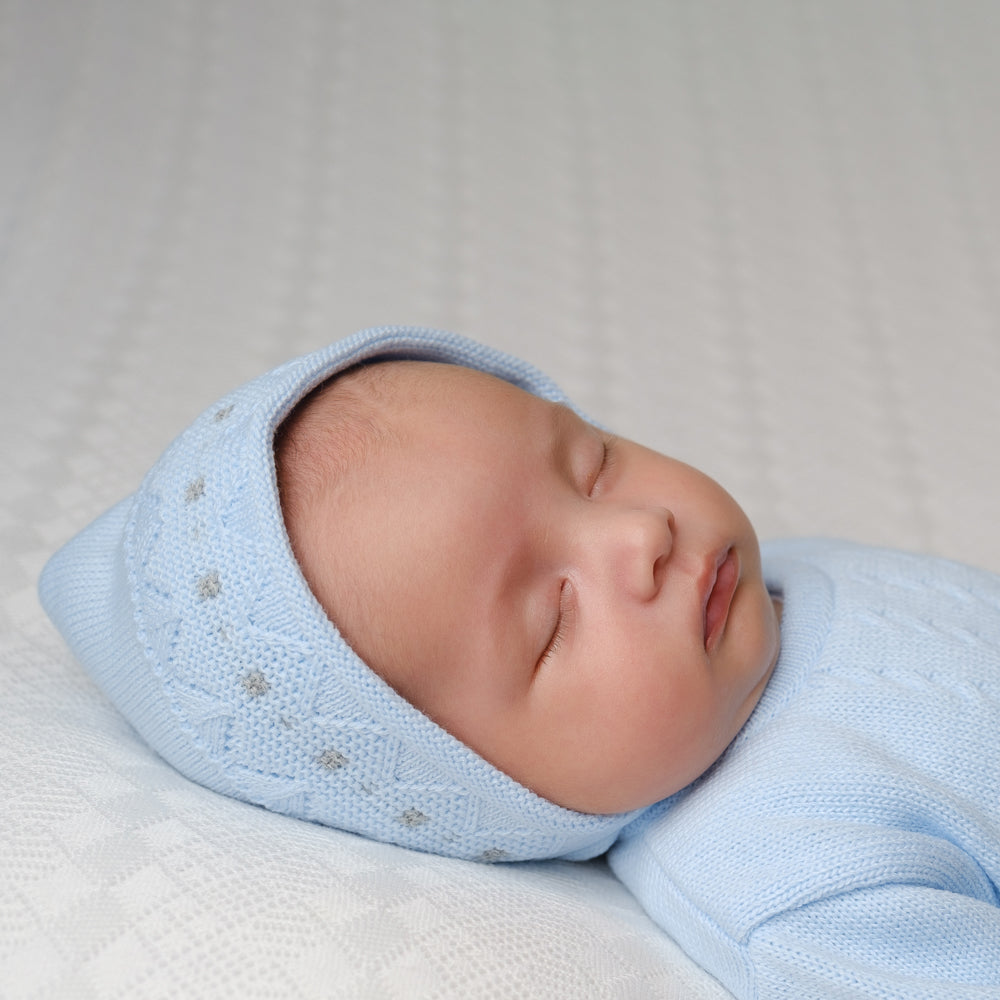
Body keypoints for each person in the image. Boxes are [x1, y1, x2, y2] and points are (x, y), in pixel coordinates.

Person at [39, 327, 1000, 997]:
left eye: (594, 463)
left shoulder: (799, 569)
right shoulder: (789, 881)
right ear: (492, 795)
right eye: (551, 621)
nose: (640, 534)